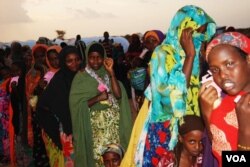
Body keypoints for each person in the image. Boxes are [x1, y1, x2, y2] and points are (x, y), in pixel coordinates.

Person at [120, 5, 216, 167]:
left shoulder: (193, 52)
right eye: (195, 31)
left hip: (189, 128)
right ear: (183, 28)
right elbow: (171, 97)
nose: (198, 36)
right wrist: (190, 56)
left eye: (202, 31)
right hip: (166, 127)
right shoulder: (162, 53)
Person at [69, 42, 132, 167]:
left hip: (113, 128)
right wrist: (98, 98)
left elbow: (118, 95)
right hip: (95, 130)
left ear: (104, 58)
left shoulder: (107, 75)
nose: (95, 61)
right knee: (99, 160)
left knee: (115, 159)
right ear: (87, 58)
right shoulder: (81, 78)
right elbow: (76, 105)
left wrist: (111, 73)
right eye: (92, 57)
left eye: (99, 57)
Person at [199, 32, 250, 167]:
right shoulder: (225, 101)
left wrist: (245, 131)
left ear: (248, 60)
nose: (222, 75)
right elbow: (217, 147)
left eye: (229, 64)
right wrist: (207, 114)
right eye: (215, 70)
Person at [36, 46, 81, 167]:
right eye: (69, 61)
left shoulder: (81, 77)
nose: (74, 64)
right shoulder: (59, 80)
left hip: (81, 127)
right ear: (63, 62)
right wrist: (57, 130)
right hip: (67, 133)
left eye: (77, 59)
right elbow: (42, 107)